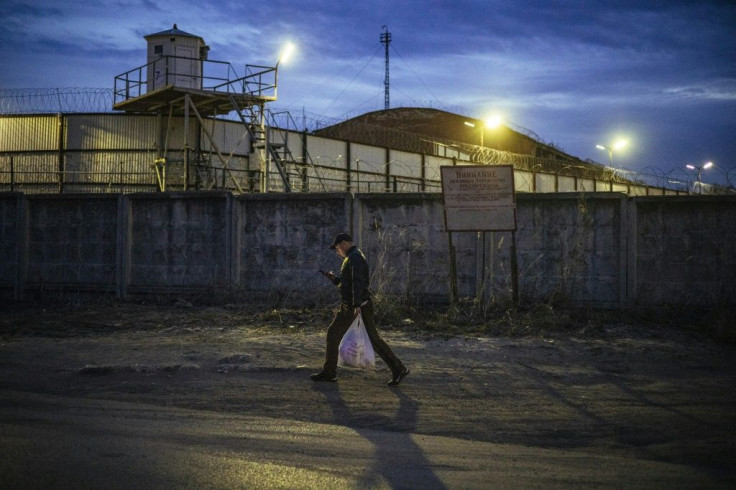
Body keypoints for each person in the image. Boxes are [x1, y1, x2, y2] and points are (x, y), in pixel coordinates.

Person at [311, 232, 409, 386]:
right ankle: (398, 368)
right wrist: (335, 279)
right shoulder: (352, 258)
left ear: (344, 243)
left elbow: (358, 282)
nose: (337, 252)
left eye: (337, 248)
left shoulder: (354, 258)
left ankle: (329, 372)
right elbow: (348, 284)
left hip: (356, 306)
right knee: (370, 339)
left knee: (334, 334)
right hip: (356, 304)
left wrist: (356, 305)